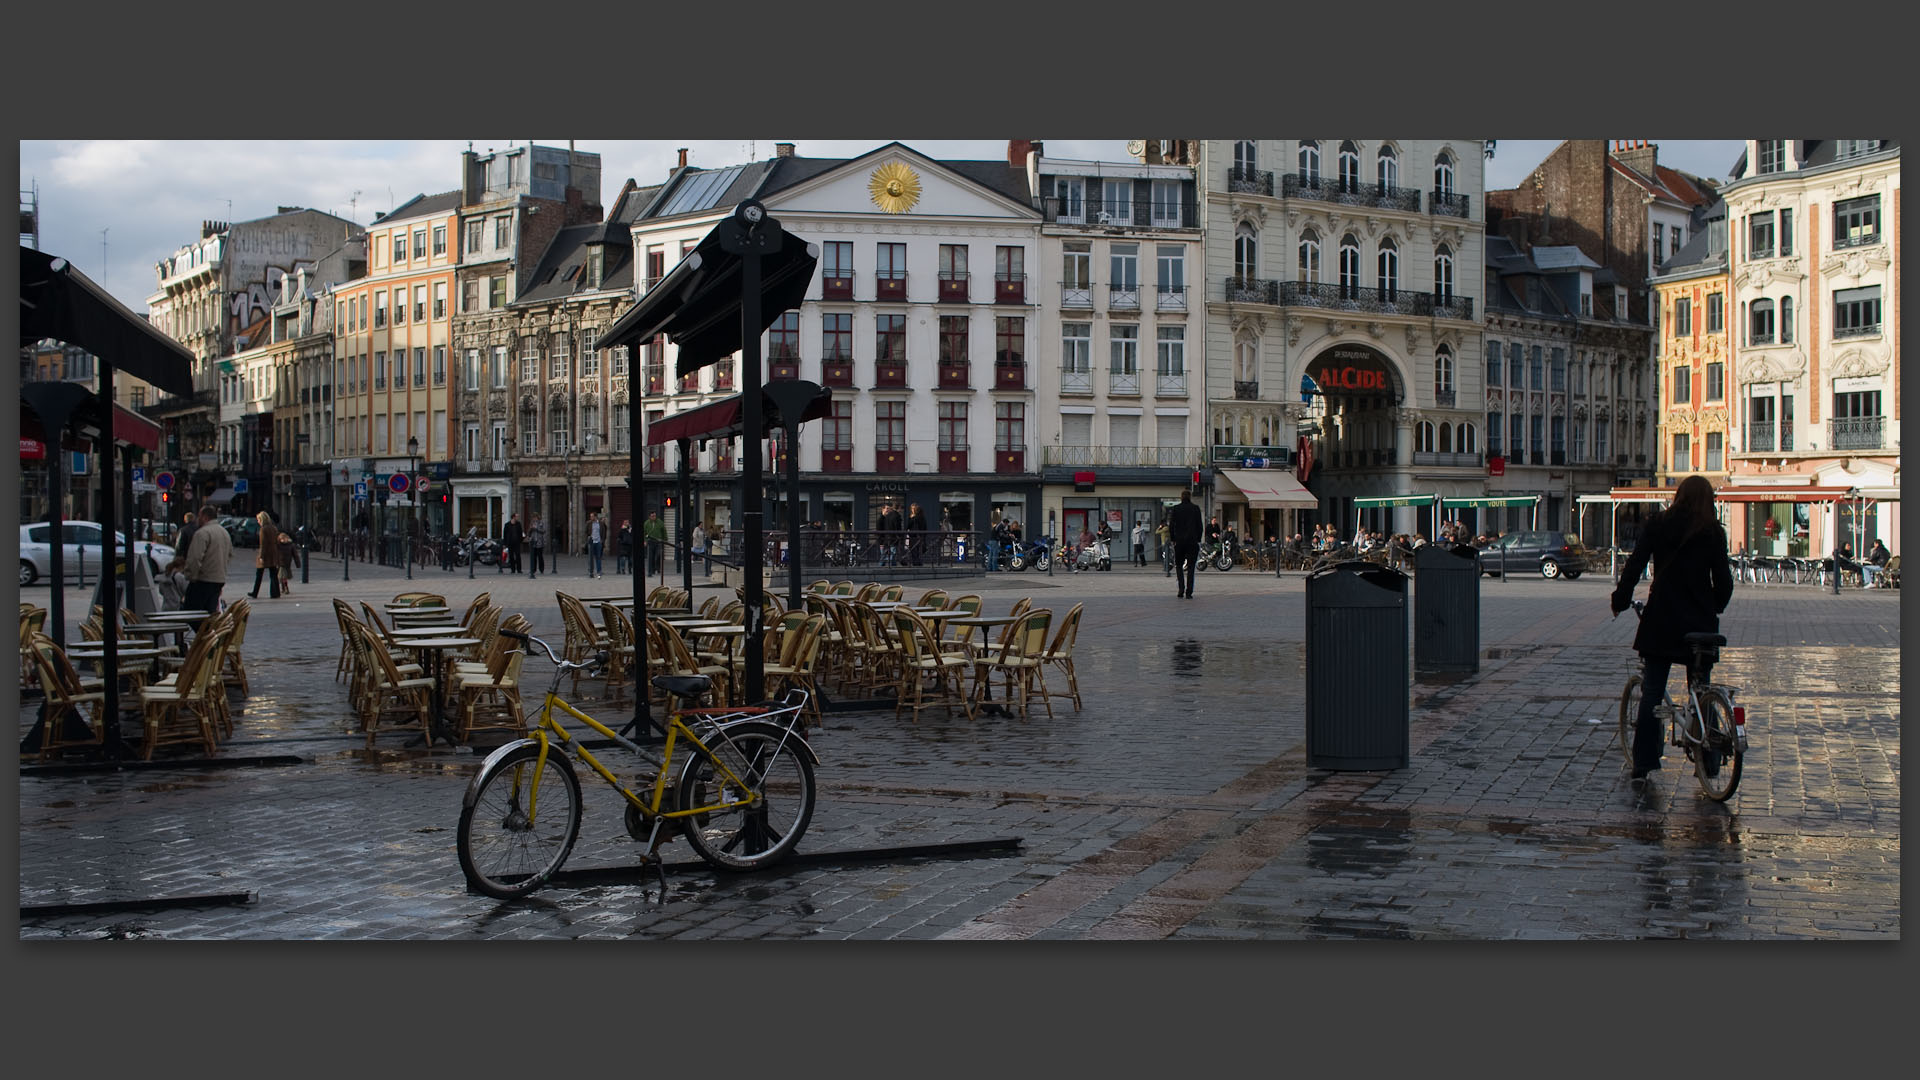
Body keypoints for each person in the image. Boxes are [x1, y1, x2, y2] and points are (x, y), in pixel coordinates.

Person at [1609, 474, 1735, 784]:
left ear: (1678, 496)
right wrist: (1714, 606)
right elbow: (1724, 582)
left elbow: (1635, 565)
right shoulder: (1713, 532)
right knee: (1700, 687)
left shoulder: (1658, 524)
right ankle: (1709, 759)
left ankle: (1645, 762)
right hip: (1700, 621)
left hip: (1663, 618)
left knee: (1652, 691)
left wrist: (1621, 599)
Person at [182, 505, 232, 616]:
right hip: (218, 579)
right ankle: (210, 632)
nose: (197, 520)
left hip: (203, 579)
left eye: (199, 516)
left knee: (189, 612)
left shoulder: (202, 533)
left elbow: (195, 558)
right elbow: (229, 555)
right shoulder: (224, 532)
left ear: (204, 517)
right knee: (209, 613)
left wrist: (190, 576)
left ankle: (206, 632)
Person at [1169, 490, 1203, 599]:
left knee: (1179, 566)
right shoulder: (1195, 508)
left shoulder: (1176, 508)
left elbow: (1171, 525)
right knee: (1191, 567)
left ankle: (1181, 589)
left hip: (1179, 541)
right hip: (1192, 541)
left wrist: (1173, 538)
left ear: (1181, 497)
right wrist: (1198, 538)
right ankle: (1189, 592)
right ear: (1190, 497)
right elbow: (1200, 526)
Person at [249, 511, 282, 599]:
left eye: (258, 520)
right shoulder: (274, 528)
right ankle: (275, 593)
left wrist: (261, 556)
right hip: (273, 552)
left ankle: (255, 592)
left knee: (259, 574)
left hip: (266, 553)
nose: (258, 522)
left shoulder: (263, 529)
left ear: (262, 519)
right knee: (273, 574)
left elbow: (263, 544)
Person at [642, 511, 666, 576]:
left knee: (658, 555)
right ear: (649, 517)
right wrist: (645, 541)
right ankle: (651, 570)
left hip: (658, 541)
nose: (654, 517)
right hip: (650, 541)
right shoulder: (646, 523)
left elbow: (664, 531)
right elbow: (644, 533)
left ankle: (657, 568)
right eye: (652, 516)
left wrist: (664, 540)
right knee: (650, 556)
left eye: (655, 516)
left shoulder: (660, 522)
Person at [276, 527, 296, 596]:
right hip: (281, 563)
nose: (283, 540)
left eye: (284, 539)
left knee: (283, 577)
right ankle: (284, 588)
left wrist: (297, 563)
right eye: (282, 539)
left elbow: (295, 555)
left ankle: (285, 588)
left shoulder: (290, 545)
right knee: (282, 577)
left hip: (285, 564)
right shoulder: (279, 545)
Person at [528, 514, 547, 579]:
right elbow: (529, 532)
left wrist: (537, 529)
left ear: (537, 517)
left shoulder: (541, 523)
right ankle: (533, 569)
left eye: (535, 517)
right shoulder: (532, 523)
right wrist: (531, 529)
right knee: (533, 557)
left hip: (539, 542)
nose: (534, 519)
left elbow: (544, 531)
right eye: (533, 518)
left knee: (540, 556)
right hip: (533, 542)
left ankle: (541, 569)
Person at [587, 511, 604, 578]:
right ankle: (590, 570)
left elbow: (603, 532)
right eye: (590, 516)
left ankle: (599, 570)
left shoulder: (601, 524)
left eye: (592, 516)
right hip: (591, 542)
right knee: (590, 558)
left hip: (598, 542)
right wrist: (588, 537)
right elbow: (586, 531)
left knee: (598, 557)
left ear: (595, 517)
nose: (591, 517)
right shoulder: (588, 523)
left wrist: (602, 540)